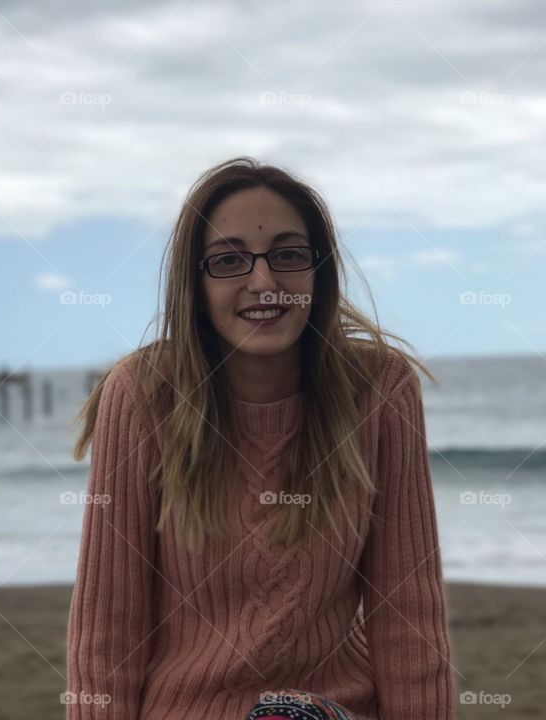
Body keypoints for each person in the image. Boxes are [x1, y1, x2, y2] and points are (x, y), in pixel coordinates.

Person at [64, 157, 457, 719]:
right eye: (228, 261)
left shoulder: (379, 389)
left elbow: (409, 619)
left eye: (289, 256)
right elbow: (106, 634)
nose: (264, 283)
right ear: (194, 285)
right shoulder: (146, 394)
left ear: (319, 272)